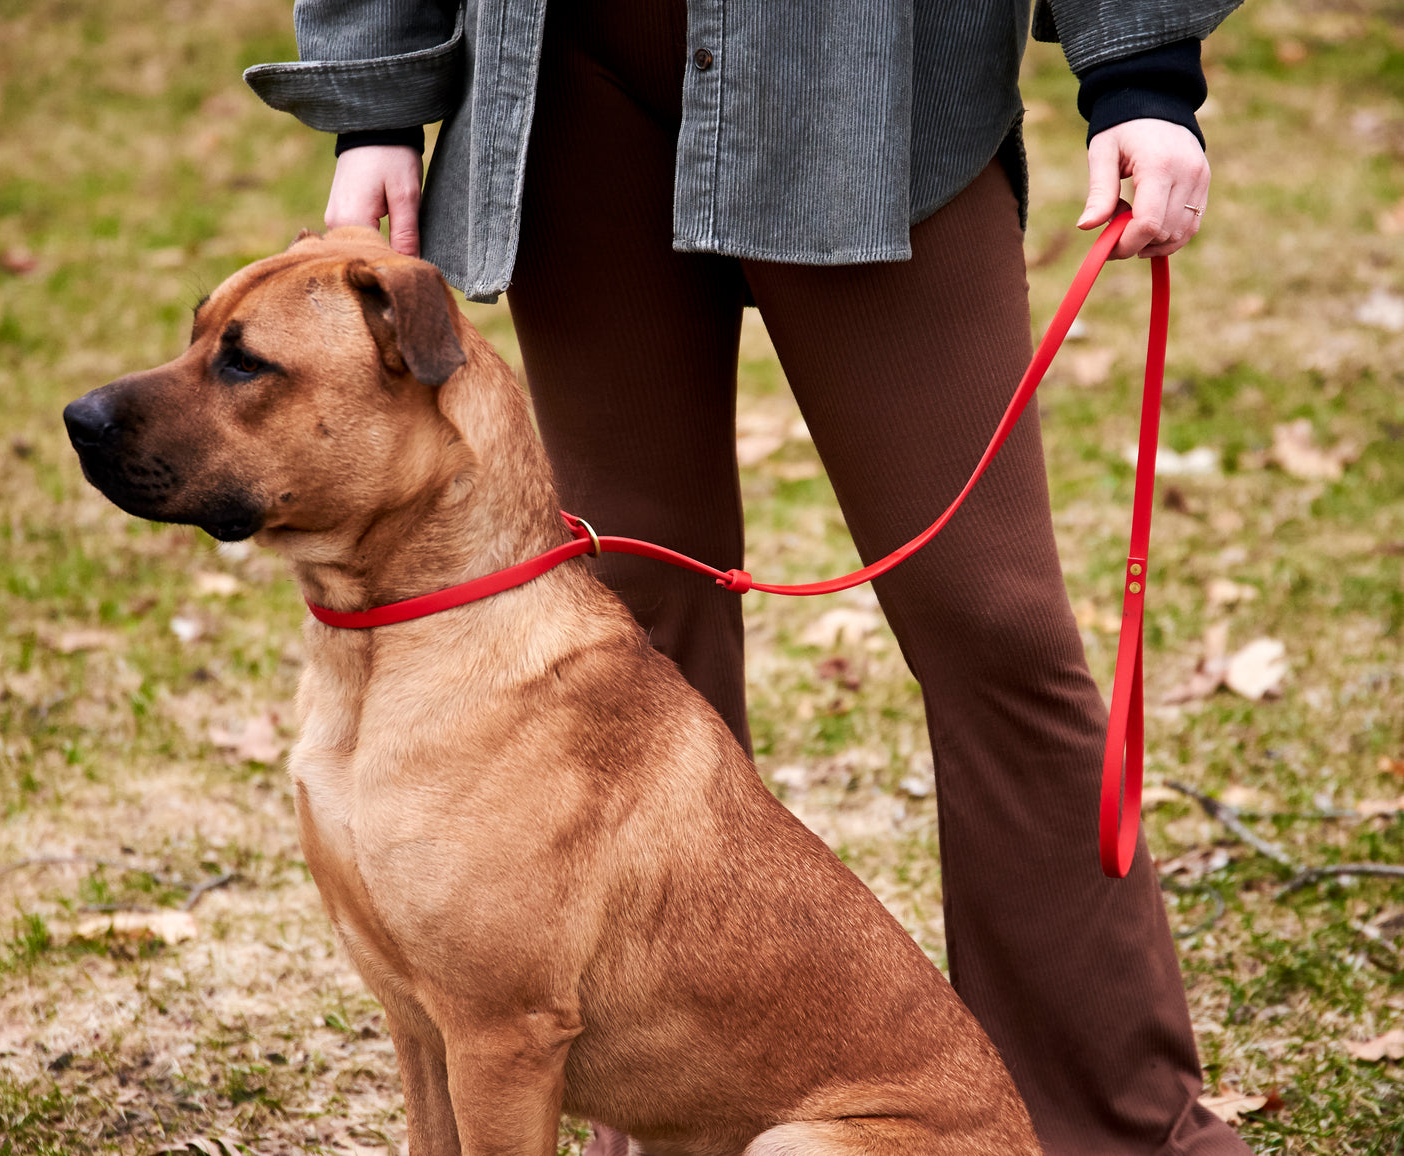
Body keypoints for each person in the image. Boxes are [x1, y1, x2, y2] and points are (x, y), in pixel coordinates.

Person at [246, 3, 1250, 1152]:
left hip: (870, 88)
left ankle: (1125, 1130)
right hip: (566, 82)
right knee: (630, 613)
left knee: (992, 624)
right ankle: (667, 1108)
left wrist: (1139, 70)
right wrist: (371, 101)